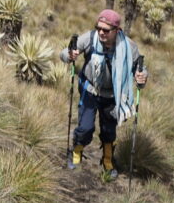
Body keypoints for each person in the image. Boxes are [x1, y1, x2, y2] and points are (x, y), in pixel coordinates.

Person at [60, 9, 149, 177]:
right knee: (85, 127)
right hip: (90, 91)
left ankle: (107, 159)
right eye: (98, 27)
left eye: (106, 30)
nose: (101, 32)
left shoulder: (129, 47)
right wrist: (69, 55)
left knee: (109, 130)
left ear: (117, 30)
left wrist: (142, 77)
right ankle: (76, 151)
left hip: (113, 95)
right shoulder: (90, 38)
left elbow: (141, 70)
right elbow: (64, 53)